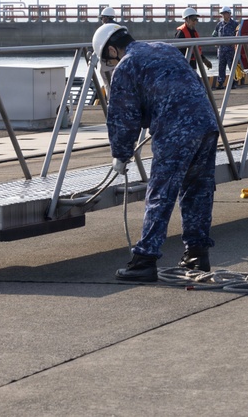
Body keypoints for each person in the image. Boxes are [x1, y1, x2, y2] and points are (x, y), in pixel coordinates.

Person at [91, 23, 220, 282]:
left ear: (113, 50)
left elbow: (123, 116)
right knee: (198, 191)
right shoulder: (165, 49)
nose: (109, 64)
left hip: (176, 130)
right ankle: (197, 254)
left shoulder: (127, 65)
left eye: (107, 59)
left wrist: (121, 153)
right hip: (206, 123)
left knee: (161, 194)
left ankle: (144, 261)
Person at [211, 6, 239, 90]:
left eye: (225, 13)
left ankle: (234, 82)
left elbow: (239, 35)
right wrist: (215, 42)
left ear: (229, 14)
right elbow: (214, 35)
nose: (223, 15)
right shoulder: (219, 25)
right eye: (222, 14)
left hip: (231, 50)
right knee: (221, 67)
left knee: (232, 67)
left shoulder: (235, 24)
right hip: (221, 51)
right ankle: (220, 83)